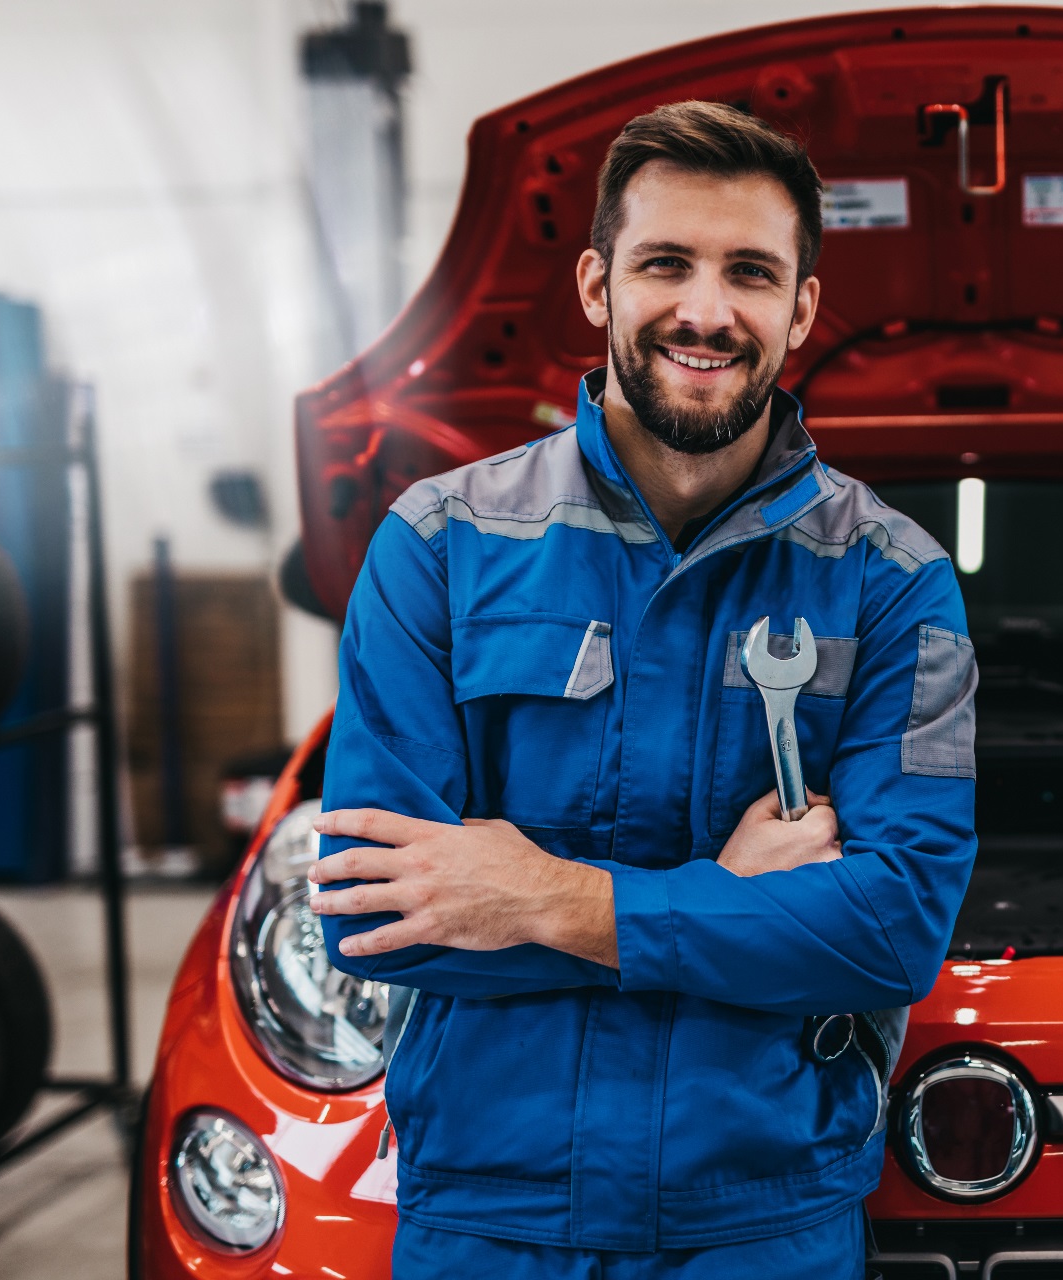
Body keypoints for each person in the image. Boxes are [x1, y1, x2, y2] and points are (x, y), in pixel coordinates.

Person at [305, 100, 978, 1278]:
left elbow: (893, 928)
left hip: (760, 1221)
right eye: (666, 261)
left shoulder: (892, 580)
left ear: (801, 309)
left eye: (750, 272)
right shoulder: (441, 546)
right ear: (596, 285)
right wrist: (731, 901)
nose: (706, 310)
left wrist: (539, 895)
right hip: (491, 1217)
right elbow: (372, 910)